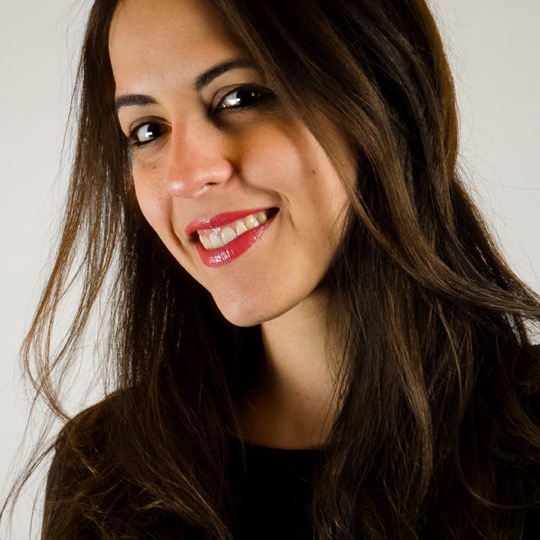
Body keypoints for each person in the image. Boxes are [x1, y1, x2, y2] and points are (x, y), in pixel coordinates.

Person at [4, 0, 540, 538]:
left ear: (385, 96)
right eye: (147, 130)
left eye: (240, 97)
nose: (184, 176)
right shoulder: (104, 470)